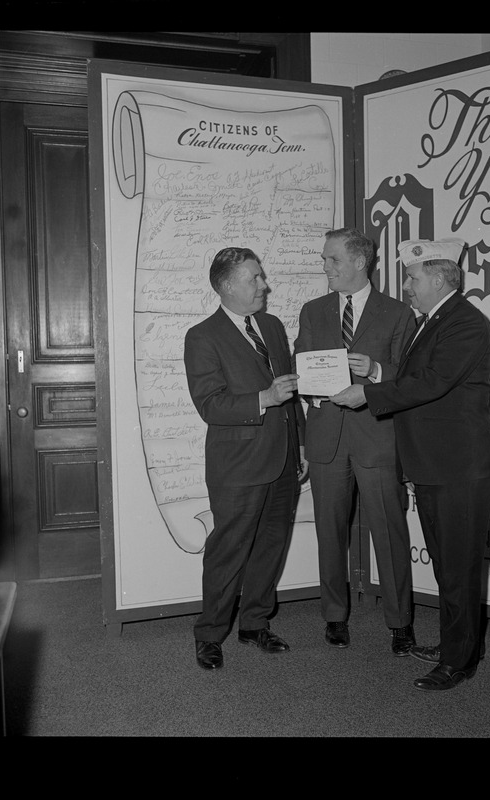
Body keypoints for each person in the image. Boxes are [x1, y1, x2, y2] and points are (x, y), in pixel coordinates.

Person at [331, 238, 490, 691]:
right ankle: (459, 645)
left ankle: (458, 662)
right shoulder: (436, 321)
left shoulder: (464, 324)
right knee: (449, 565)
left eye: (413, 277)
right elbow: (413, 379)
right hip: (436, 465)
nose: (406, 286)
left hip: (460, 468)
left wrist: (366, 393)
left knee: (458, 567)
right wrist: (377, 375)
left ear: (441, 278)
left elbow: (432, 382)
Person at [294, 227, 417, 655]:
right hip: (326, 435)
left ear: (360, 262)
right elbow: (303, 366)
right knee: (329, 532)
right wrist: (307, 388)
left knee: (390, 532)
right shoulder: (313, 311)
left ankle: (401, 623)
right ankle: (334, 616)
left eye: (332, 260)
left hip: (377, 437)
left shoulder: (398, 313)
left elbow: (412, 378)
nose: (324, 267)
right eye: (325, 259)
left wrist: (378, 371)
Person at [184, 246, 308, 670]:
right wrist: (263, 398)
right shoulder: (202, 336)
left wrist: (302, 443)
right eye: (254, 278)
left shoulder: (272, 327)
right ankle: (210, 633)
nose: (263, 284)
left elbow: (289, 392)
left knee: (271, 545)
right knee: (228, 549)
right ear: (227, 286)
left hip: (284, 458)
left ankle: (255, 623)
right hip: (237, 465)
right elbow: (210, 405)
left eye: (261, 276)